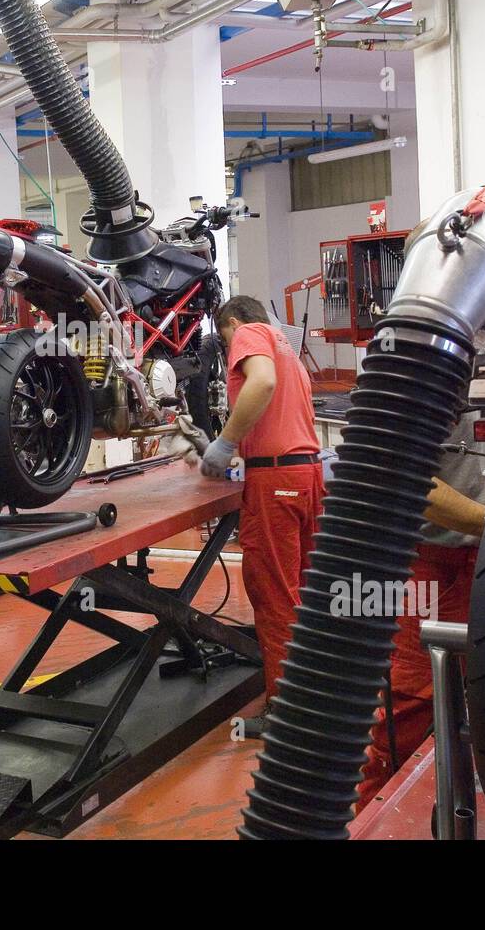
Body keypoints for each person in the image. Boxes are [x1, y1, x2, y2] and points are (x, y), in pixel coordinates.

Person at [354, 408, 485, 809]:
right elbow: (410, 483)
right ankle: (377, 818)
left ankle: (454, 802)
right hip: (433, 562)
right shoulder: (429, 353)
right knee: (410, 711)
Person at [201, 296, 325, 739]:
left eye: (224, 340)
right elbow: (277, 415)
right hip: (305, 475)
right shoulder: (288, 348)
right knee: (301, 593)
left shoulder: (252, 333)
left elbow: (261, 384)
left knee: (274, 596)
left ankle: (285, 716)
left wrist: (226, 442)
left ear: (232, 323)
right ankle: (311, 698)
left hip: (277, 485)